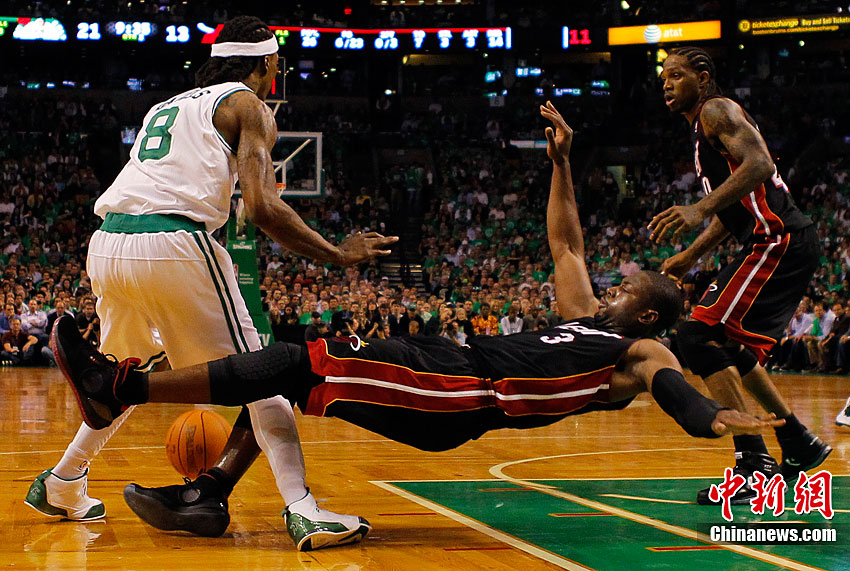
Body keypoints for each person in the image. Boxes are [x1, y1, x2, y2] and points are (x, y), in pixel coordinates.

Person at [51, 103, 783, 542]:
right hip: (447, 368)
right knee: (295, 370)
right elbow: (567, 245)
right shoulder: (587, 318)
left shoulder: (640, 347)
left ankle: (123, 388)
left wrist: (712, 417)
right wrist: (562, 163)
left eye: (627, 285)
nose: (612, 284)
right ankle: (209, 492)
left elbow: (668, 386)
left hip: (461, 392)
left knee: (294, 362)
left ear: (648, 311)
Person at [25, 16, 396, 550]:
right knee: (261, 376)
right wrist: (338, 253)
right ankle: (304, 509)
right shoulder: (249, 106)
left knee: (120, 376)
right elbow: (263, 208)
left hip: (108, 243)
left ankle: (62, 481)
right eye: (277, 63)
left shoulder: (168, 105)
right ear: (267, 62)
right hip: (172, 241)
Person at [650, 47, 830, 505]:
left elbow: (762, 165)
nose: (666, 83)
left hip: (778, 239)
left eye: (676, 75)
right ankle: (797, 440)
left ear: (702, 77)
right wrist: (691, 254)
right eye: (663, 77)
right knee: (725, 345)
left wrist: (698, 207)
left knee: (695, 336)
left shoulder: (716, 109)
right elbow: (733, 211)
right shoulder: (702, 129)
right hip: (773, 241)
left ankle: (754, 462)